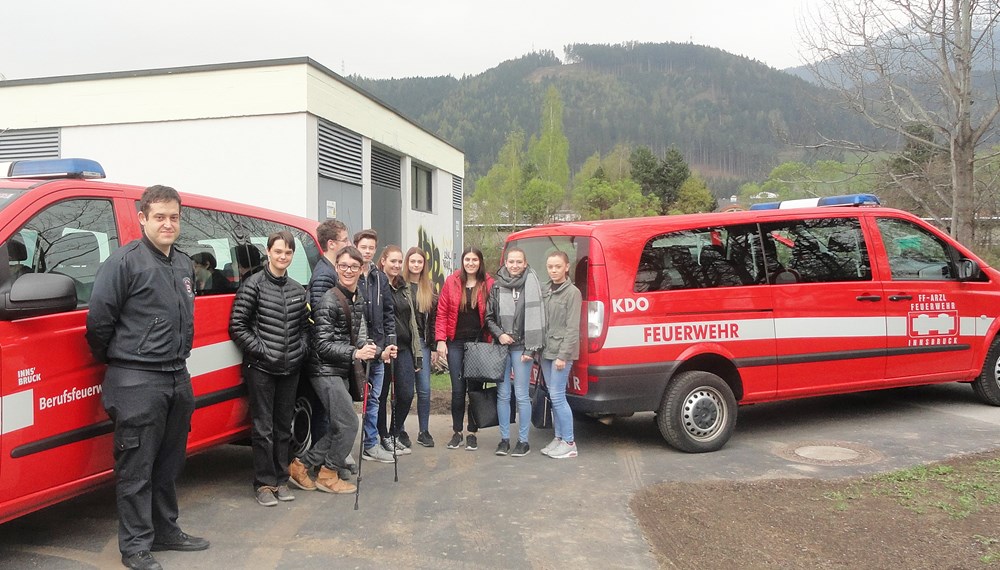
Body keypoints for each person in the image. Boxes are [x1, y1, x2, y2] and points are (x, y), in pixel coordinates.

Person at [86, 185, 209, 570]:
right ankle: (136, 547)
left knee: (169, 463)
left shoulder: (184, 264)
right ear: (142, 218)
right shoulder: (125, 263)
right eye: (159, 216)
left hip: (177, 375)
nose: (168, 223)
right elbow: (98, 324)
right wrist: (124, 361)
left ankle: (166, 530)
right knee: (135, 468)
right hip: (136, 380)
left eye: (174, 216)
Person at [228, 231, 310, 506]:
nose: (282, 257)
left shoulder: (299, 290)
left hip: (290, 368)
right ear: (268, 252)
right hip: (261, 368)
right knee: (263, 428)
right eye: (278, 252)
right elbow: (237, 325)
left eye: (287, 253)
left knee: (283, 427)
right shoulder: (253, 285)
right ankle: (264, 484)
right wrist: (263, 350)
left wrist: (300, 350)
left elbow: (304, 329)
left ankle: (281, 479)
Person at [289, 246, 373, 494]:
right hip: (323, 370)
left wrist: (375, 351)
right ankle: (327, 473)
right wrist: (355, 353)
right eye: (344, 266)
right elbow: (322, 344)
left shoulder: (356, 296)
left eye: (354, 267)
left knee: (340, 425)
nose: (349, 271)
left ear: (361, 269)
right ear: (336, 268)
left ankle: (302, 465)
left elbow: (355, 336)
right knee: (348, 425)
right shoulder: (329, 300)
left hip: (338, 368)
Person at [485, 247, 545, 457]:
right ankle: (503, 440)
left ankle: (523, 441)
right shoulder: (496, 286)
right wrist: (500, 334)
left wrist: (531, 348)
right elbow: (489, 317)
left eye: (519, 262)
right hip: (502, 347)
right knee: (503, 394)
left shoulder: (533, 284)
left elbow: (538, 319)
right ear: (505, 263)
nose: (515, 265)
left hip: (523, 348)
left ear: (525, 263)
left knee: (521, 394)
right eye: (511, 261)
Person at [435, 247, 494, 451]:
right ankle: (457, 431)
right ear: (462, 261)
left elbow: (493, 313)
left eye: (474, 259)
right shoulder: (451, 282)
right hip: (456, 342)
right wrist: (441, 340)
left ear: (480, 262)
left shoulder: (488, 283)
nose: (470, 263)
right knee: (458, 390)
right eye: (467, 259)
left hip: (479, 343)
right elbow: (441, 312)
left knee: (475, 390)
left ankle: (472, 432)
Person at [305, 219, 352, 470]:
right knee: (329, 417)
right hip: (324, 359)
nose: (349, 244)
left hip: (332, 358)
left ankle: (328, 462)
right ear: (332, 243)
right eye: (345, 240)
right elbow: (320, 318)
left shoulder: (329, 269)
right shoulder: (324, 274)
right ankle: (318, 466)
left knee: (332, 416)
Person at [354, 229, 397, 463]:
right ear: (356, 246)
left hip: (379, 347)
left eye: (371, 247)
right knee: (350, 399)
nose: (368, 251)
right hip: (355, 348)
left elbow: (389, 312)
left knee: (375, 399)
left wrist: (390, 342)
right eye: (364, 247)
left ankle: (371, 443)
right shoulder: (350, 273)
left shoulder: (379, 278)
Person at [376, 246, 421, 454]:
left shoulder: (404, 287)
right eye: (392, 261)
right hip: (383, 349)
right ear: (383, 261)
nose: (396, 265)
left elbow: (412, 322)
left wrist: (417, 352)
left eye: (399, 262)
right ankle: (382, 435)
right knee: (381, 395)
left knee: (405, 393)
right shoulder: (376, 283)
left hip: (403, 348)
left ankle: (394, 432)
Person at [538, 251, 582, 459]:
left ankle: (570, 443)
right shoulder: (546, 290)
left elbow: (572, 329)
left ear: (566, 267)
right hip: (546, 351)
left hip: (560, 353)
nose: (553, 270)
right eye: (550, 267)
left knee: (558, 396)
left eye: (557, 266)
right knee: (553, 396)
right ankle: (558, 438)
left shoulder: (572, 293)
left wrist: (563, 356)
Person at [404, 247, 438, 447]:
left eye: (419, 262)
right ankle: (399, 429)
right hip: (405, 345)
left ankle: (424, 430)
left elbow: (433, 319)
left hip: (423, 344)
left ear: (424, 265)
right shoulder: (400, 285)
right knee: (405, 390)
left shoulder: (429, 286)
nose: (416, 265)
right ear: (407, 263)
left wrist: (433, 346)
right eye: (412, 261)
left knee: (424, 389)